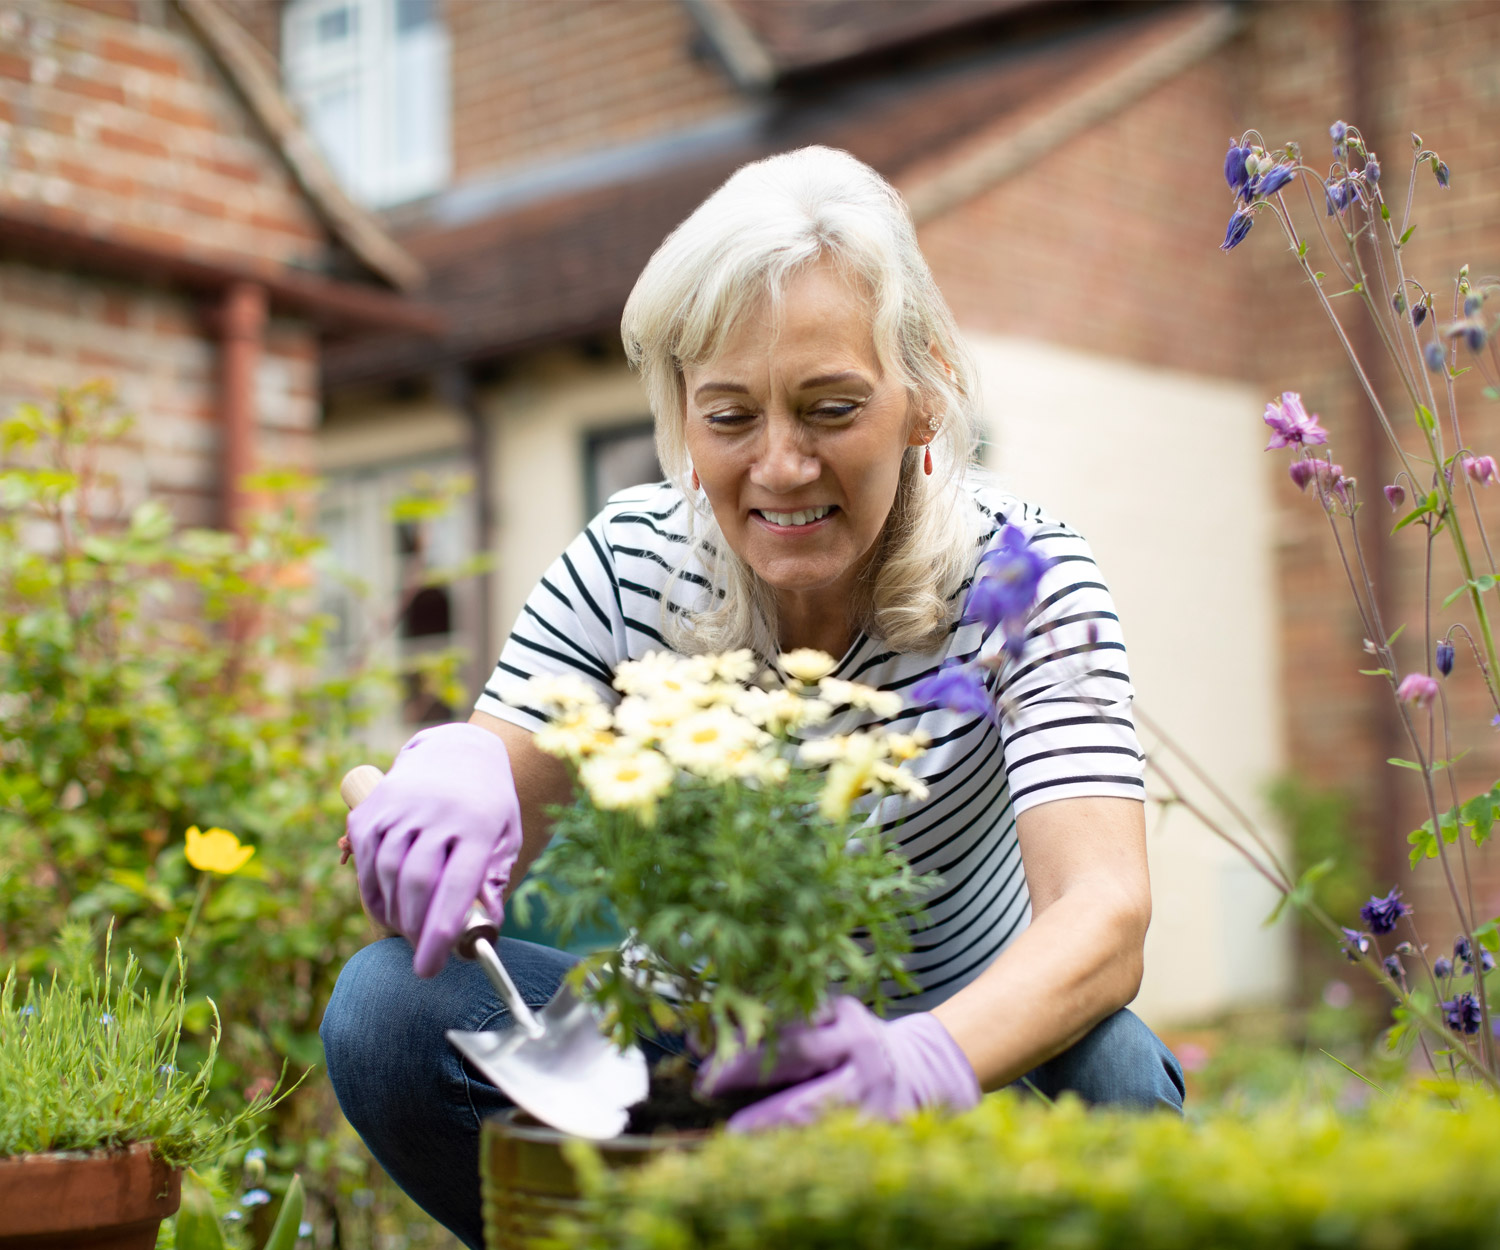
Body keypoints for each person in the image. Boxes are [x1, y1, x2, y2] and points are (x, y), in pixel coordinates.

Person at [322, 145, 1183, 1249]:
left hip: (964, 1064)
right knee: (392, 1010)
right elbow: (494, 839)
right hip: (696, 1060)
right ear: (681, 414)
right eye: (729, 417)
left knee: (1115, 1075)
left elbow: (1103, 914)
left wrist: (924, 1061)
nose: (779, 467)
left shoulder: (1024, 576)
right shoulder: (630, 561)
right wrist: (458, 780)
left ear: (924, 396)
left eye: (830, 408)